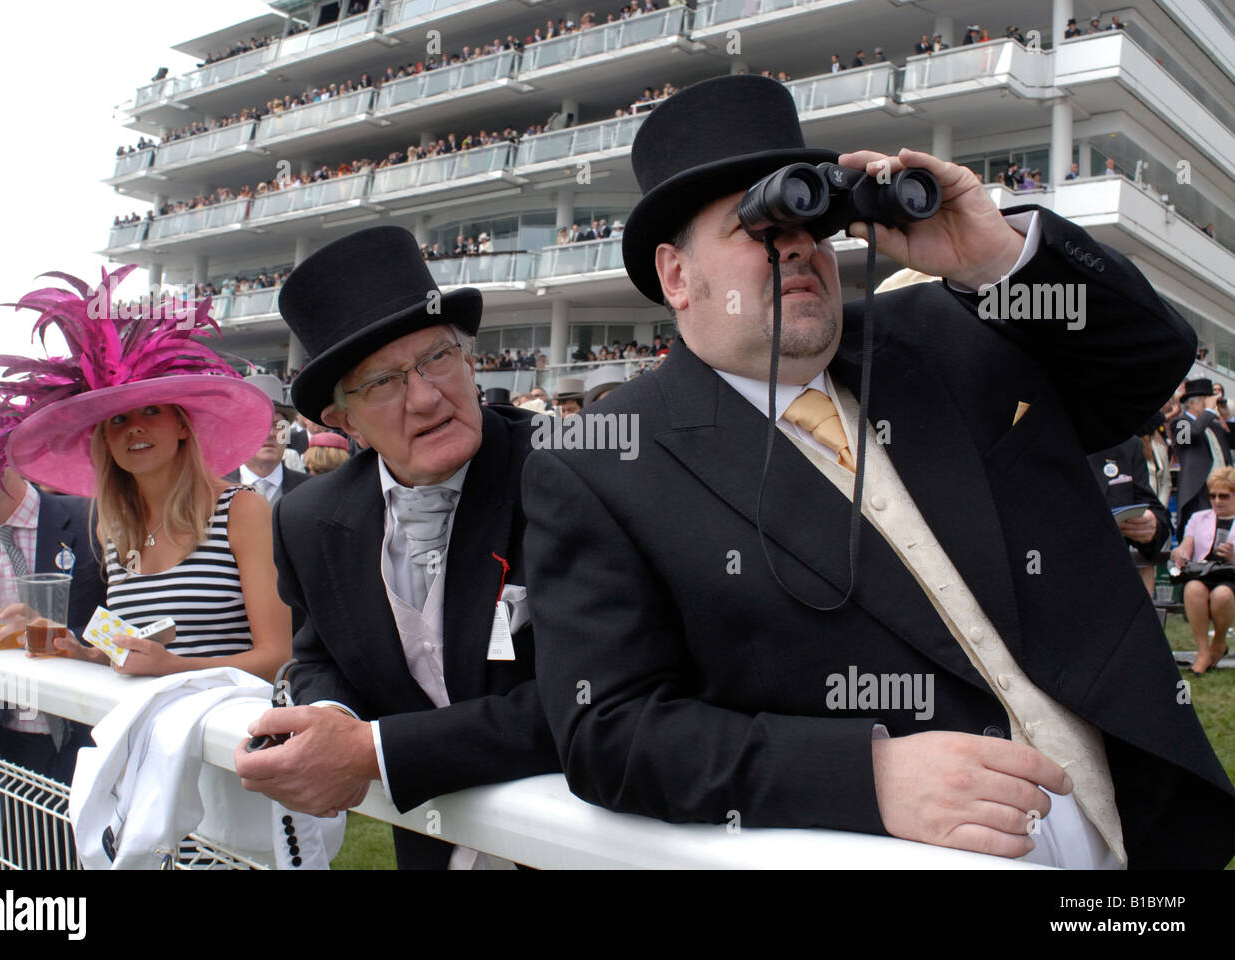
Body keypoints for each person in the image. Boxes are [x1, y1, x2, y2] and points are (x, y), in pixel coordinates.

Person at [520, 74, 1235, 869]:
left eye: (808, 221)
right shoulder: (605, 462)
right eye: (751, 227)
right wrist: (866, 773)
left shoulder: (943, 328)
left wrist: (996, 256)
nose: (793, 244)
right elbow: (608, 728)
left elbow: (1149, 362)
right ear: (677, 277)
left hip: (1141, 829)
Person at [233, 226, 559, 870]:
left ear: (470, 360)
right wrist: (327, 716)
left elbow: (590, 693)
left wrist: (370, 751)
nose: (426, 396)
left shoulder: (569, 473)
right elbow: (316, 655)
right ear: (343, 421)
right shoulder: (306, 517)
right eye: (382, 381)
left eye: (438, 357)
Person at [0, 268, 290, 682]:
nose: (135, 428)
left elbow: (278, 657)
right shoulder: (112, 525)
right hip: (139, 737)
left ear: (182, 426)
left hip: (224, 738)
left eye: (152, 411)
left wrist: (177, 668)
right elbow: (132, 653)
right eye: (118, 418)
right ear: (105, 441)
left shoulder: (241, 509)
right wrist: (80, 650)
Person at [0, 390, 104, 784]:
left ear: (6, 441)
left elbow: (138, 627)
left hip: (98, 751)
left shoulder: (95, 520)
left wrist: (70, 641)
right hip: (4, 767)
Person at [1087, 433, 1172, 595]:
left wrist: (1151, 526)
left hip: (1109, 578)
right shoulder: (1044, 437)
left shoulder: (1127, 444)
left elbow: (1152, 509)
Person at [1171, 466, 1235, 674]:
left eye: (1224, 496)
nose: (1217, 501)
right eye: (1213, 496)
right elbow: (1186, 544)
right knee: (1192, 589)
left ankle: (1218, 641)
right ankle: (1203, 651)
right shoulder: (1199, 518)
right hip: (1203, 572)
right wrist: (1179, 552)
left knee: (1222, 595)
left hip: (1231, 577)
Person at [227, 373, 311, 502]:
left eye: (278, 425)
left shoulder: (309, 491)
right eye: (258, 425)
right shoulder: (214, 491)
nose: (270, 433)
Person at [1169, 378, 1232, 538]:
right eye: (1206, 400)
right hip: (1198, 490)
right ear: (1192, 403)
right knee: (1199, 535)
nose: (1210, 405)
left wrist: (1228, 418)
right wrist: (1209, 411)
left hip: (1223, 488)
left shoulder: (1214, 426)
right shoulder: (1180, 423)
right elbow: (1191, 435)